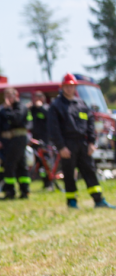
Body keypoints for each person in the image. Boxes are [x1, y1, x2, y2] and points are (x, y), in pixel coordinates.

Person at [48, 73, 115, 209]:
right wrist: (61, 147)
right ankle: (72, 201)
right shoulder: (56, 105)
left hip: (83, 144)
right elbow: (53, 128)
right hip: (67, 144)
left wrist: (91, 142)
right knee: (69, 173)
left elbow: (90, 122)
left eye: (72, 86)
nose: (69, 89)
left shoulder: (81, 103)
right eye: (67, 86)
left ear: (75, 87)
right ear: (62, 87)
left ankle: (98, 200)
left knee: (89, 170)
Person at [0, 88, 31, 200]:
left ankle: (12, 192)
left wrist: (8, 109)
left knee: (10, 165)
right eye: (7, 96)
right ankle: (23, 191)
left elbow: (17, 119)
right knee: (19, 164)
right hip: (7, 140)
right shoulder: (1, 110)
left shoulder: (21, 107)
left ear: (16, 95)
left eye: (11, 96)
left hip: (18, 139)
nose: (9, 98)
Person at [29, 91, 53, 191]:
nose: (35, 100)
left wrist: (41, 107)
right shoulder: (32, 110)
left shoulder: (47, 108)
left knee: (46, 162)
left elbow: (50, 117)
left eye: (38, 98)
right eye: (34, 98)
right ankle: (44, 182)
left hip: (45, 140)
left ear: (42, 99)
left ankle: (49, 183)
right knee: (38, 162)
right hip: (34, 139)